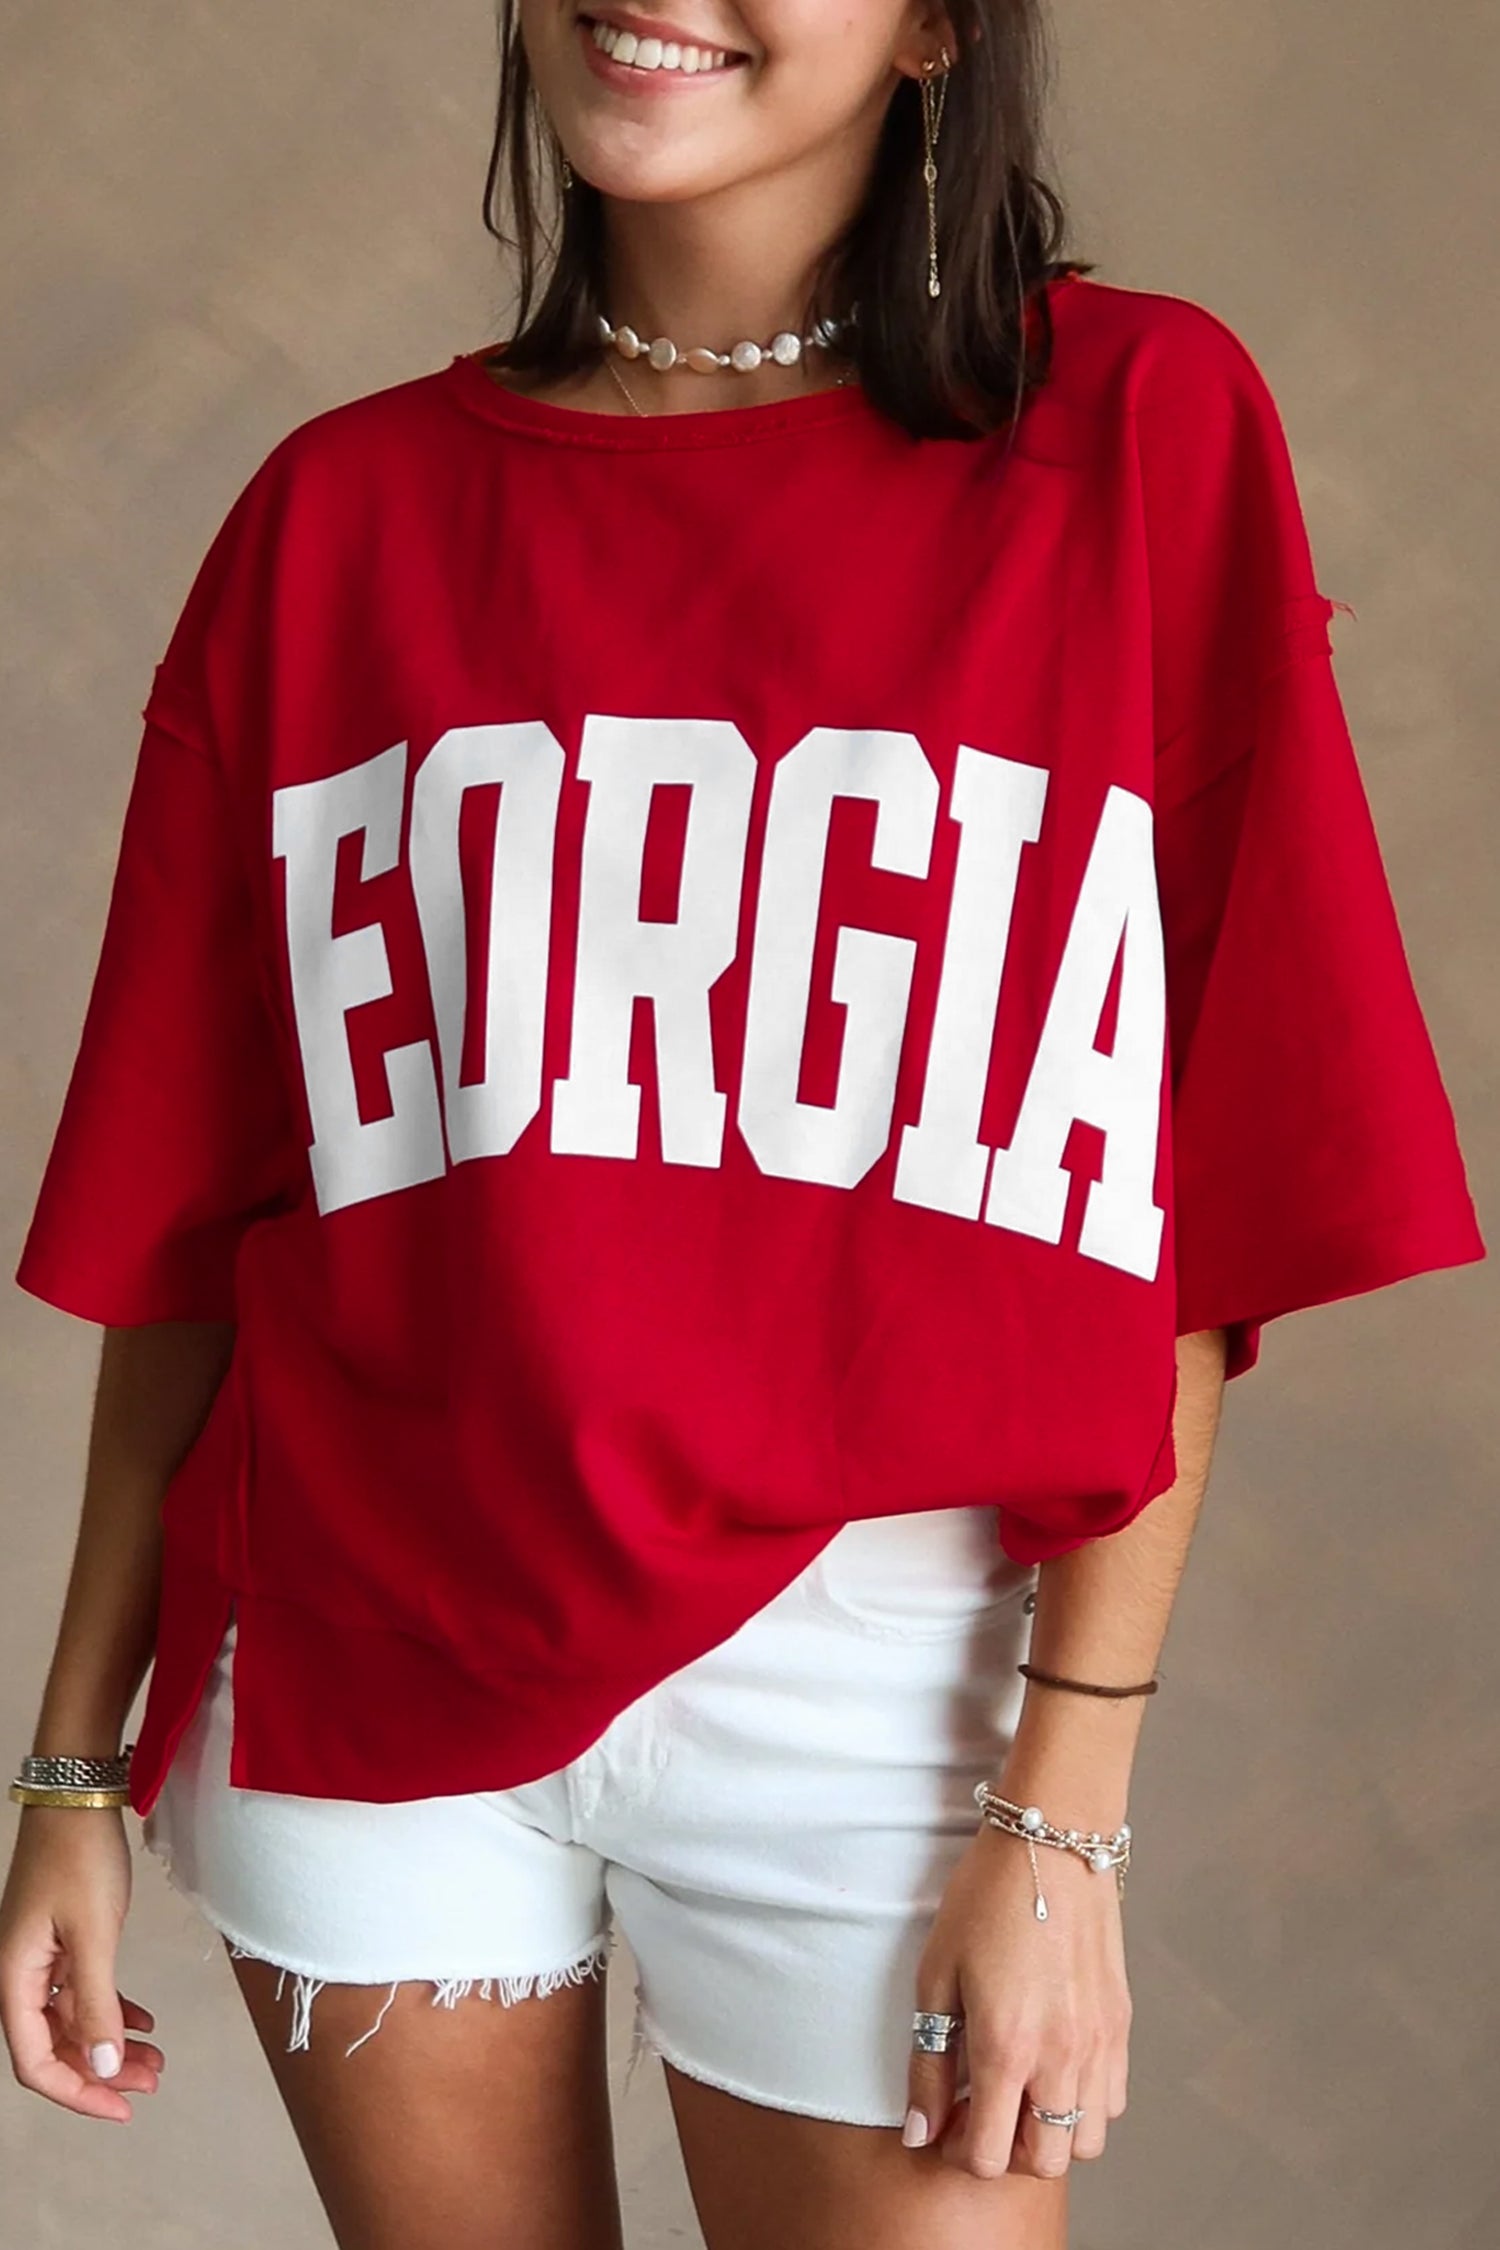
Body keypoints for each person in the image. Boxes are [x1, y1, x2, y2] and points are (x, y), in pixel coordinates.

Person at [0, 3, 1486, 2246]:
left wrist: (1065, 1810)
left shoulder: (1134, 435)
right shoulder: (338, 516)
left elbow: (1189, 1194)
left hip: (897, 1689)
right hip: (361, 1656)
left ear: (936, 27)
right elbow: (200, 1218)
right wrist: (70, 1761)